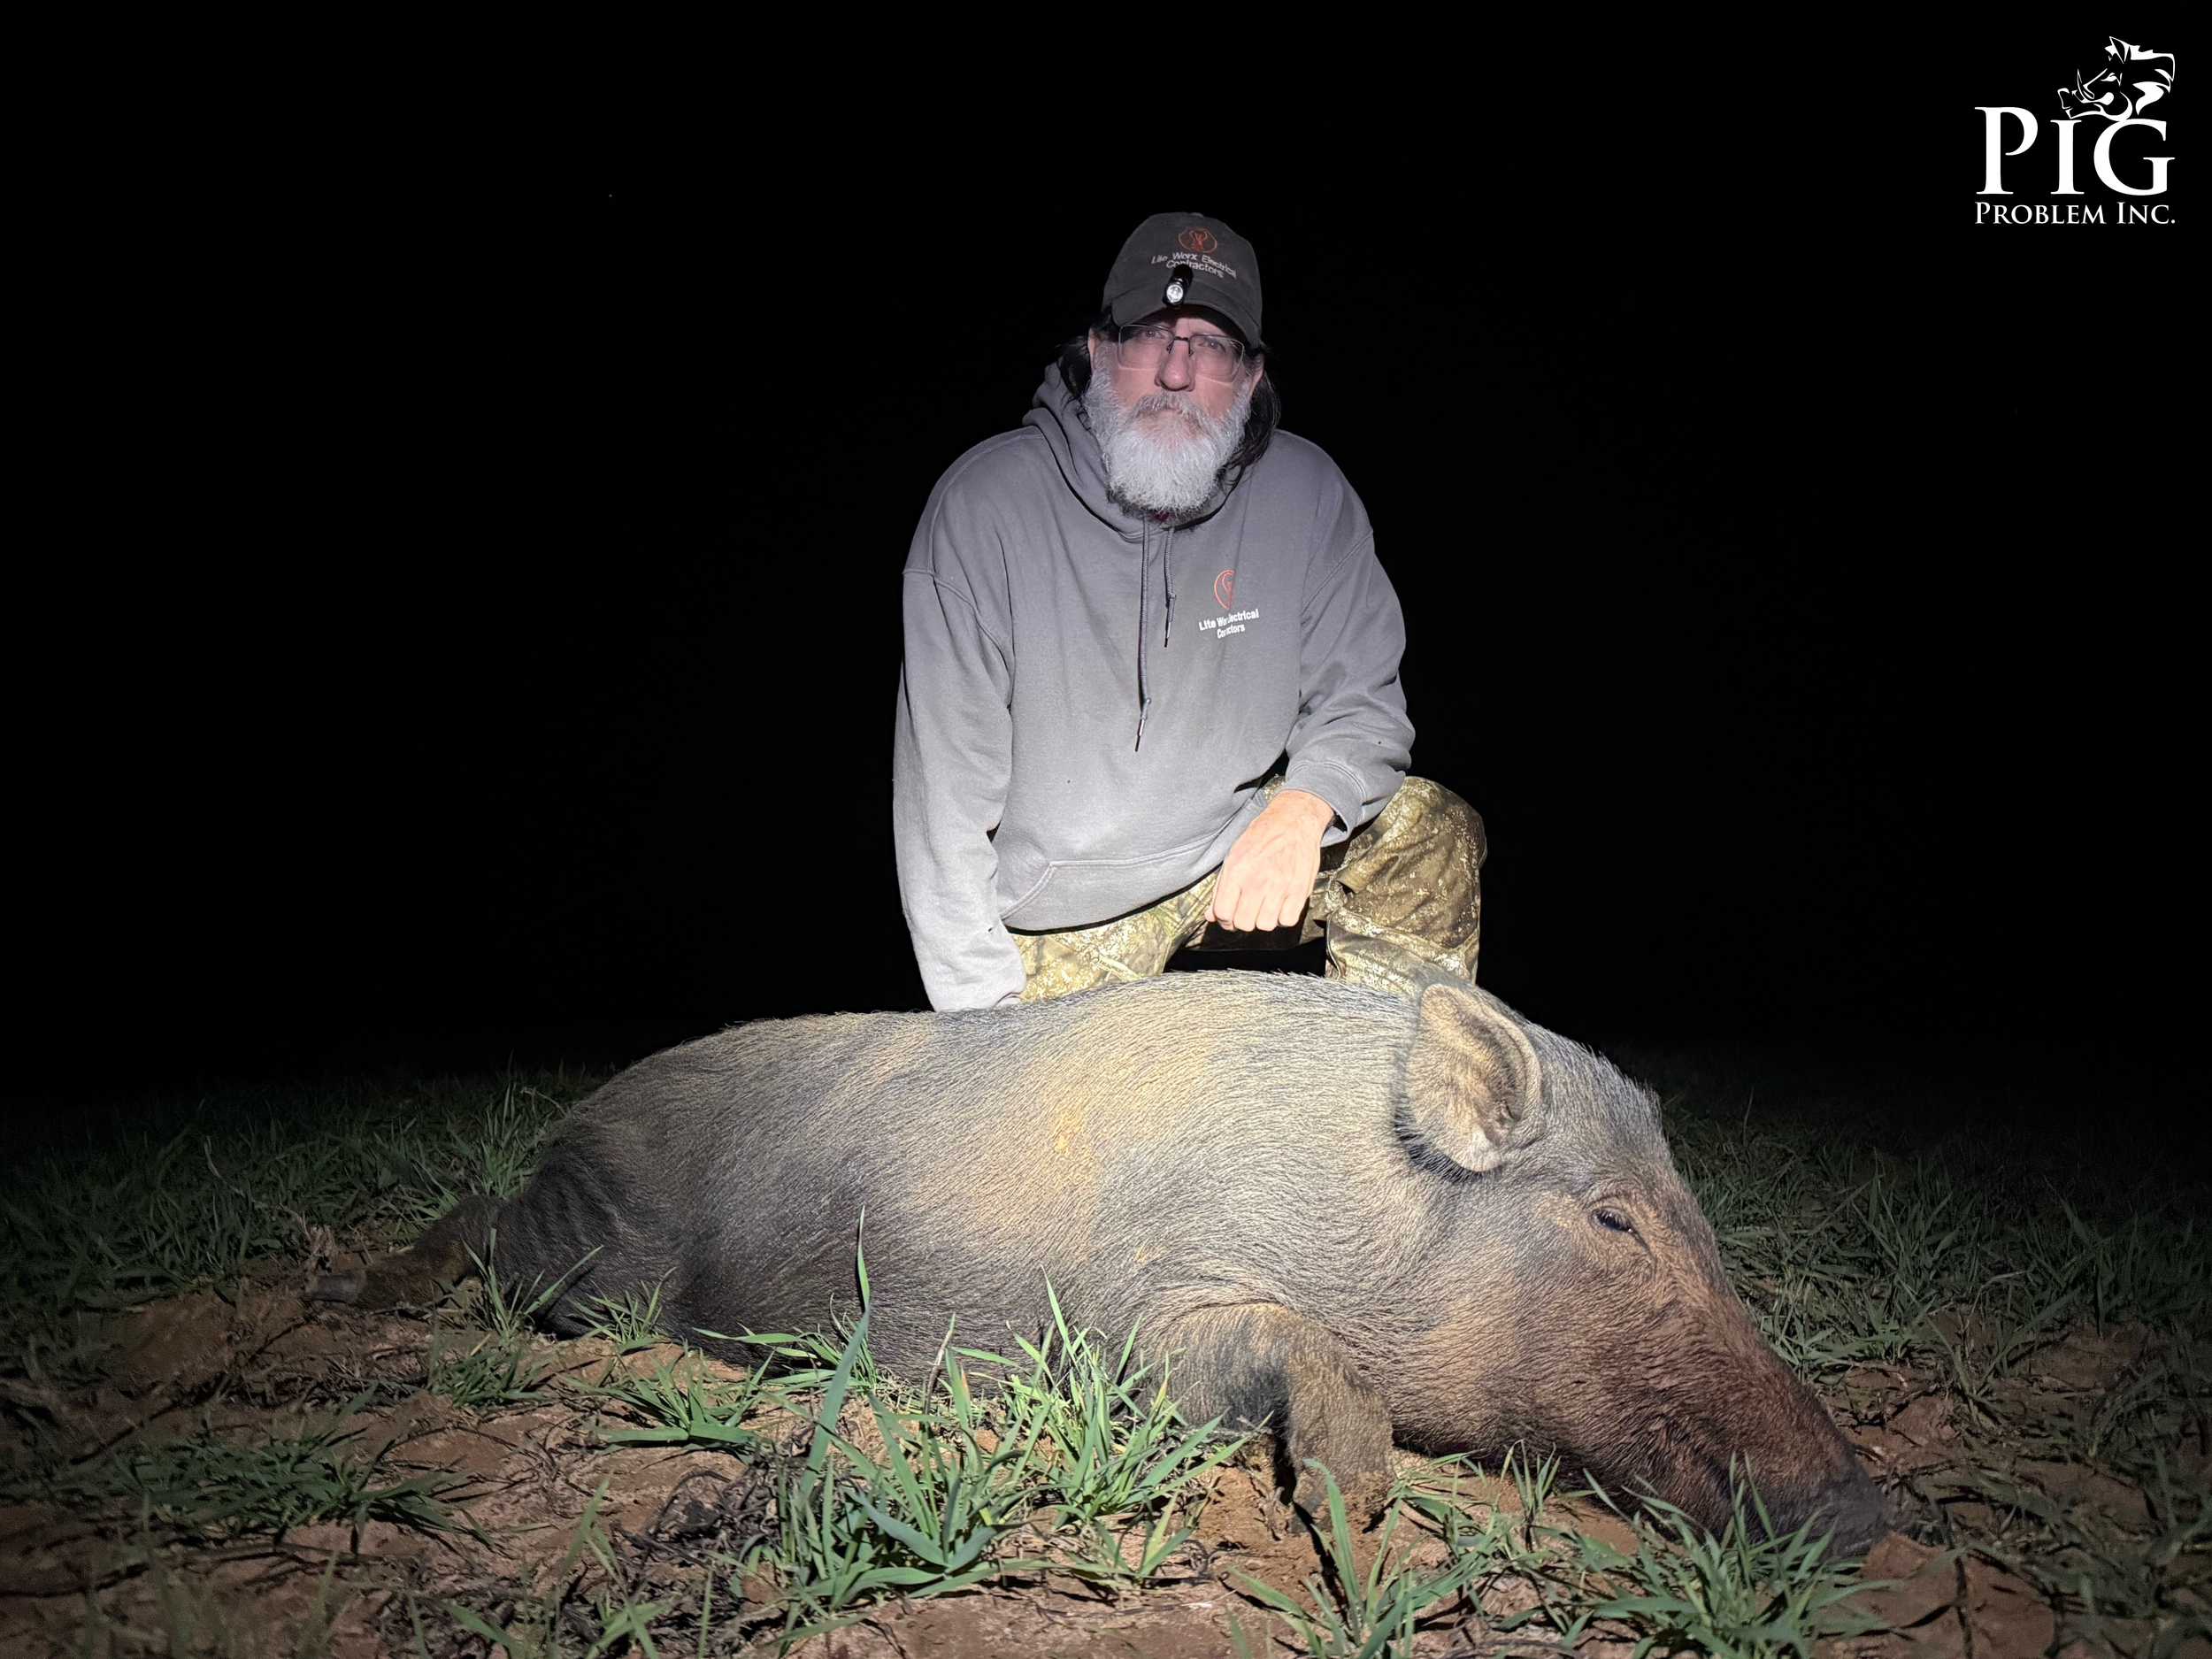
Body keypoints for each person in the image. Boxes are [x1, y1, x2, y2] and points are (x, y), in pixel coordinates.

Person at [895, 212, 1485, 1010]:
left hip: (1228, 847)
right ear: (1099, 351)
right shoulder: (982, 507)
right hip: (1059, 912)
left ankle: (1376, 1085)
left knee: (1430, 835)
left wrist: (1303, 808)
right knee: (1066, 1094)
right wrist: (985, 1035)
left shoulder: (1308, 494)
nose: (1177, 372)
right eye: (1151, 334)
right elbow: (942, 820)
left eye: (1211, 345)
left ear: (1250, 378)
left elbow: (1365, 706)